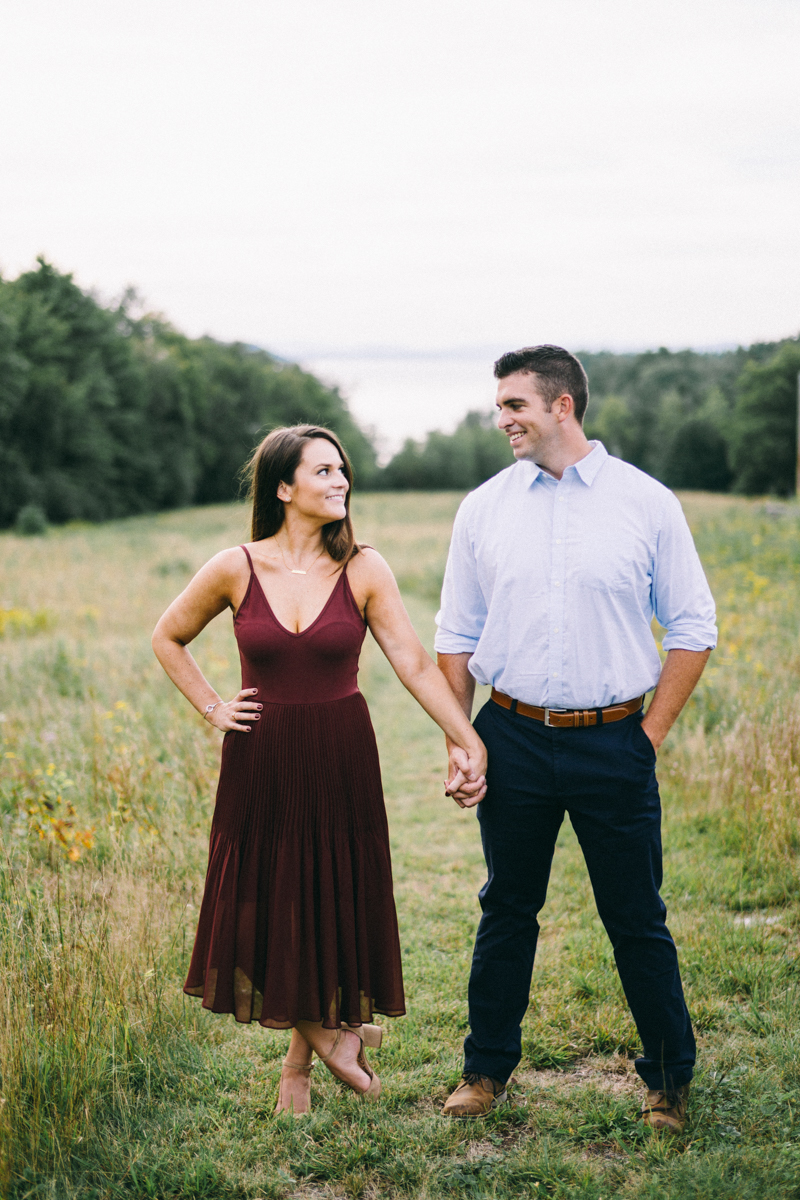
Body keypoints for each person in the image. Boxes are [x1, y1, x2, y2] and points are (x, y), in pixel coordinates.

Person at [152, 424, 487, 1116]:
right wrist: (213, 707)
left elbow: (415, 665)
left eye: (343, 471)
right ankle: (336, 1038)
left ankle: (299, 1069)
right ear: (284, 487)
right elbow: (168, 636)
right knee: (259, 906)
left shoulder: (366, 568)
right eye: (324, 471)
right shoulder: (234, 566)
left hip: (341, 755)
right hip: (261, 759)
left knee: (329, 899)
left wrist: (467, 740)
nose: (340, 482)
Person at [434, 346, 717, 1133]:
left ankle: (668, 1077)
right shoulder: (483, 508)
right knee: (506, 907)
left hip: (614, 741)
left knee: (635, 915)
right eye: (499, 406)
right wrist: (463, 740)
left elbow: (694, 626)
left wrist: (648, 737)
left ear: (564, 406)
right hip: (512, 735)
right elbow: (455, 636)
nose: (503, 420)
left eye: (515, 405)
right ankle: (485, 1069)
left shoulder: (646, 502)